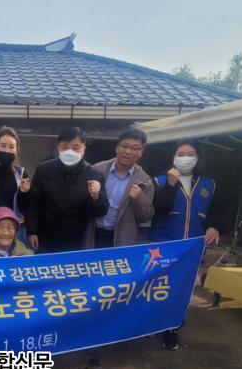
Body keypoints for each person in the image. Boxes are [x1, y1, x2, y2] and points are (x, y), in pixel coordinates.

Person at [150, 139, 225, 350]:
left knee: (181, 289)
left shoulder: (209, 185)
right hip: (163, 245)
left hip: (192, 248)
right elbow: (158, 209)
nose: (185, 158)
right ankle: (152, 324)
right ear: (173, 157)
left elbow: (218, 212)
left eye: (190, 154)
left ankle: (173, 327)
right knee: (158, 287)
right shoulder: (159, 181)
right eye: (180, 154)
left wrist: (215, 226)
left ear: (198, 158)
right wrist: (170, 185)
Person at [26, 127, 109, 253]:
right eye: (65, 146)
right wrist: (32, 231)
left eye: (75, 147)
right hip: (44, 237)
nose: (70, 151)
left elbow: (101, 211)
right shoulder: (44, 169)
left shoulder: (94, 175)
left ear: (83, 149)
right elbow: (33, 203)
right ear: (58, 147)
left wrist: (96, 197)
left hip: (75, 241)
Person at [88, 128, 155, 248]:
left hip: (121, 239)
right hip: (92, 233)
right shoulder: (97, 170)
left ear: (141, 152)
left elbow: (145, 217)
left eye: (134, 148)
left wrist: (139, 198)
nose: (128, 152)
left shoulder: (145, 181)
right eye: (124, 146)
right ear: (117, 147)